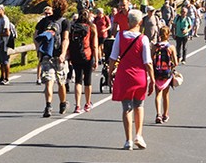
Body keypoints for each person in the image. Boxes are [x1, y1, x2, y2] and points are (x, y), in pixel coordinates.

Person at [109, 9, 155, 150]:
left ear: (128, 21)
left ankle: (128, 139)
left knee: (127, 107)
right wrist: (152, 80)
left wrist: (110, 73)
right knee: (139, 106)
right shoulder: (143, 39)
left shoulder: (120, 36)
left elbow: (113, 57)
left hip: (124, 75)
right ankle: (139, 135)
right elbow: (147, 61)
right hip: (139, 76)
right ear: (140, 22)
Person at [34, 0, 71, 117]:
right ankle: (62, 103)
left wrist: (38, 49)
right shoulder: (65, 22)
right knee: (61, 81)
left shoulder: (45, 21)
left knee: (49, 81)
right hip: (58, 56)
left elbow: (35, 35)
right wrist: (63, 54)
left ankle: (48, 105)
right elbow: (65, 39)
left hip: (46, 55)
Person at [69, 10, 98, 113]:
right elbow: (94, 45)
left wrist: (69, 56)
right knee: (88, 81)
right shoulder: (91, 27)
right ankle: (87, 103)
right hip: (87, 55)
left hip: (75, 55)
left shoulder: (73, 26)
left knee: (78, 80)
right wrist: (96, 59)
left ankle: (77, 105)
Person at [153, 26, 178, 124]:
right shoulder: (171, 47)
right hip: (166, 73)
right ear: (168, 35)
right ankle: (165, 114)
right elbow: (175, 62)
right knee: (165, 95)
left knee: (158, 94)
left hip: (157, 73)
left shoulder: (155, 47)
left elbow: (151, 59)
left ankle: (158, 113)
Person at [0, 4, 11, 85]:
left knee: (5, 61)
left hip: (4, 43)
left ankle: (7, 78)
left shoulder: (5, 19)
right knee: (1, 61)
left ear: (3, 10)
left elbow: (7, 32)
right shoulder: (0, 19)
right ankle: (2, 76)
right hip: (0, 43)